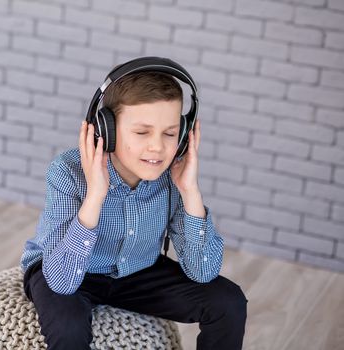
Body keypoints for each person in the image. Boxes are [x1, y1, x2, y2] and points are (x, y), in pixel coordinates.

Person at [20, 57, 248, 350]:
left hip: (138, 271)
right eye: (142, 132)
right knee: (68, 327)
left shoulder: (173, 176)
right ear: (107, 130)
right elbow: (62, 281)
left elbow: (202, 272)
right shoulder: (67, 170)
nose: (158, 147)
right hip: (68, 268)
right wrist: (96, 194)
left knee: (228, 302)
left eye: (170, 134)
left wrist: (190, 190)